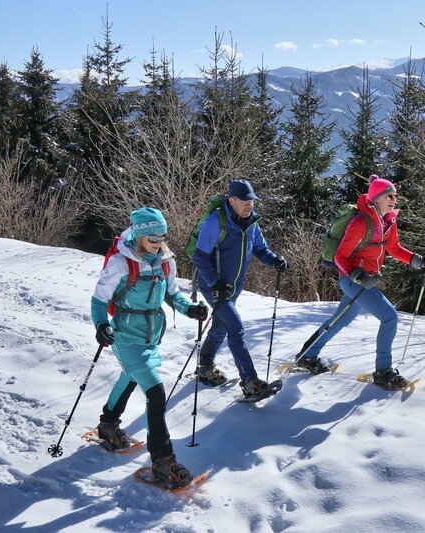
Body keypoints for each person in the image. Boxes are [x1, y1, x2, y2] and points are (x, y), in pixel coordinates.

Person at [91, 207, 209, 487]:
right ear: (141, 236)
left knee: (131, 377)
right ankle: (163, 461)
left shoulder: (166, 261)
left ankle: (108, 423)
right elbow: (98, 301)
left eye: (163, 235)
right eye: (154, 236)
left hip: (152, 335)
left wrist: (190, 309)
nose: (160, 241)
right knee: (156, 393)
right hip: (126, 337)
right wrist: (100, 325)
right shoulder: (122, 263)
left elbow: (171, 294)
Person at [295, 175, 425, 389]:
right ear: (377, 198)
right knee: (389, 317)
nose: (394, 199)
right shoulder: (361, 222)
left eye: (395, 195)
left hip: (367, 281)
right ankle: (383, 372)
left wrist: (418, 260)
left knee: (341, 319)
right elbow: (340, 256)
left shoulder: (388, 221)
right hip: (354, 280)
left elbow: (394, 248)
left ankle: (307, 355)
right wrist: (358, 276)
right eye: (389, 195)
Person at [191, 179, 288, 400]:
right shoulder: (215, 222)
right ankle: (250, 382)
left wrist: (274, 260)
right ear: (232, 200)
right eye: (244, 201)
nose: (249, 205)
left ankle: (205, 367)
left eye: (252, 200)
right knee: (235, 327)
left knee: (222, 327)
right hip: (214, 287)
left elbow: (261, 249)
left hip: (233, 288)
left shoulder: (252, 223)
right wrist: (214, 284)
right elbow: (200, 256)